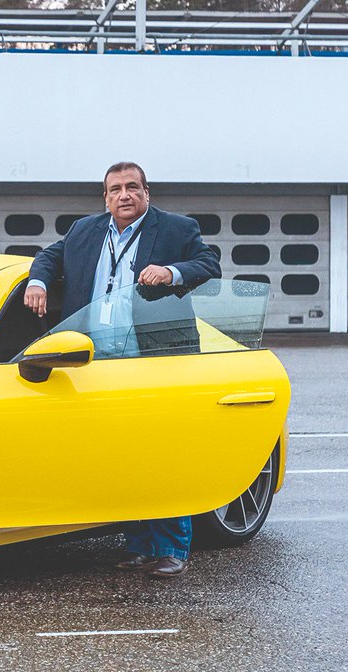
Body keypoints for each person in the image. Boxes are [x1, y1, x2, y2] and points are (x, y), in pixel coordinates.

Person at [23, 161, 221, 578]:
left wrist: (172, 272)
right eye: (115, 189)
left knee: (161, 452)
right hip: (97, 360)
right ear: (105, 197)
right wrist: (38, 282)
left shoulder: (176, 229)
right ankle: (138, 546)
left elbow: (209, 263)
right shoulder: (84, 231)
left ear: (147, 193)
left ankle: (170, 547)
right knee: (118, 453)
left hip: (154, 360)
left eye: (132, 187)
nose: (124, 195)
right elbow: (48, 256)